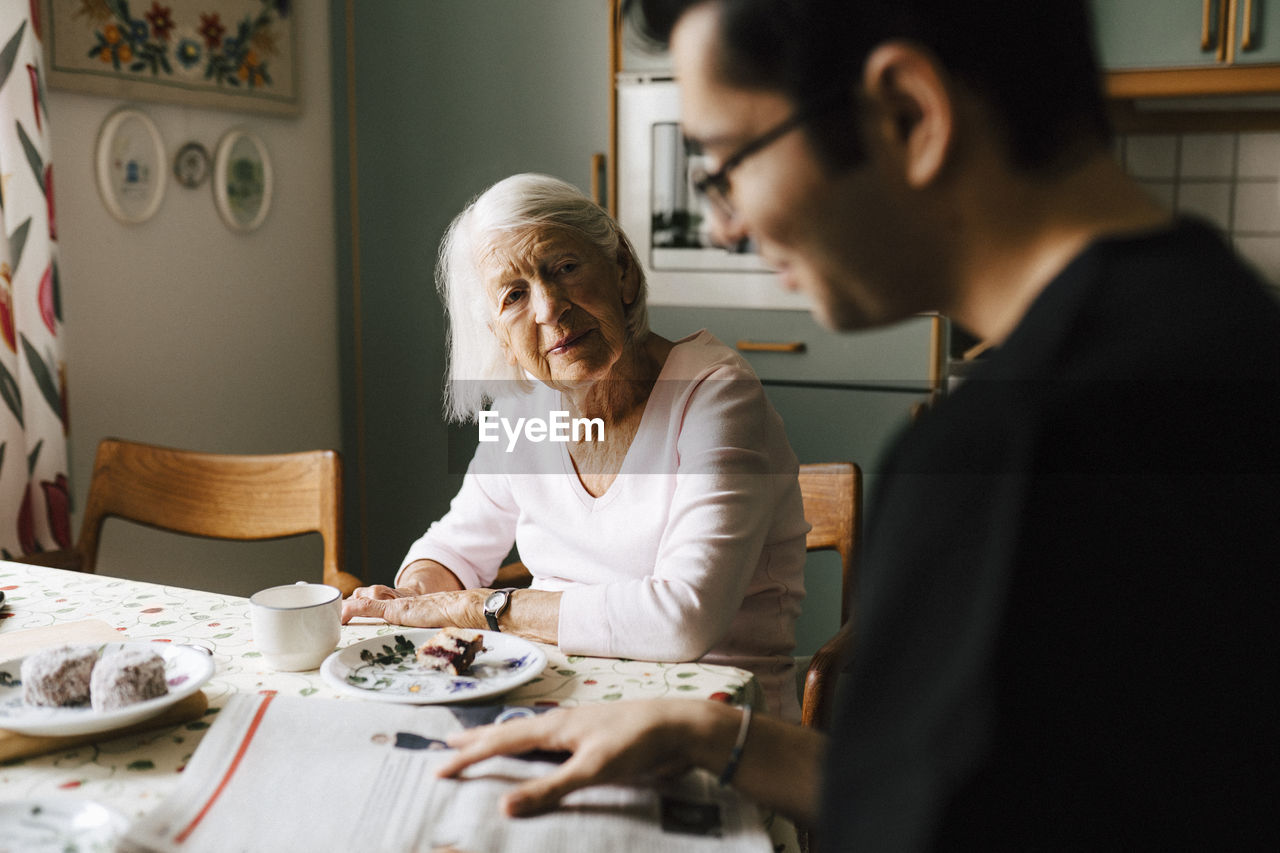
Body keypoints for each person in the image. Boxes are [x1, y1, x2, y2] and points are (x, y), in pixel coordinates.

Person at [434, 1, 1280, 849]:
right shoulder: (1227, 333)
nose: (727, 223)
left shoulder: (1011, 452)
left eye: (730, 163)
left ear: (908, 113)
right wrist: (708, 734)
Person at [342, 173, 808, 718]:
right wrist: (414, 595)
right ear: (498, 333)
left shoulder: (714, 394)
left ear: (623, 273)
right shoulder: (524, 409)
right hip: (556, 700)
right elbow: (456, 548)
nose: (548, 308)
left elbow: (683, 620)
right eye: (514, 295)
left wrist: (479, 607)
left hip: (714, 717)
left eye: (564, 268)